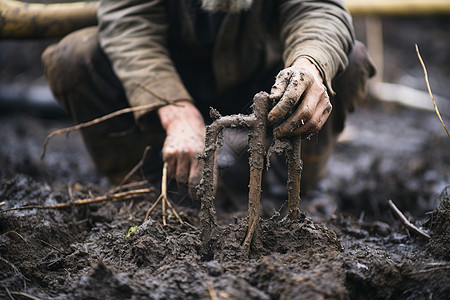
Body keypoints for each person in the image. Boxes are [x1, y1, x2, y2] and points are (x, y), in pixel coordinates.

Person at [42, 0, 375, 195]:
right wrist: (171, 105)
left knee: (348, 60)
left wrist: (310, 64)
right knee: (74, 57)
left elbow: (318, 8)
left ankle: (283, 183)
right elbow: (130, 20)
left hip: (266, 80)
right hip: (167, 73)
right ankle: (143, 183)